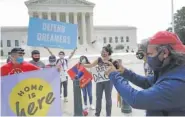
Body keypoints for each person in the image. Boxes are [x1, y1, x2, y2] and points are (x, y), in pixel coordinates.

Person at [105, 31, 185, 116]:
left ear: (165, 53)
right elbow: (147, 82)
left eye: (150, 54)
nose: (147, 59)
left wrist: (114, 75)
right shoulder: (171, 70)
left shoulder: (175, 83)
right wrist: (125, 72)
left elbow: (136, 99)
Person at [82, 44, 113, 116]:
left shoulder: (111, 60)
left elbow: (115, 68)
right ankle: (97, 114)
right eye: (102, 51)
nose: (103, 53)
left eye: (104, 51)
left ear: (108, 52)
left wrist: (109, 68)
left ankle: (108, 115)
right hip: (99, 82)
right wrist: (82, 65)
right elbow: (90, 65)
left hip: (108, 82)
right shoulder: (99, 59)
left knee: (108, 98)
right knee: (98, 98)